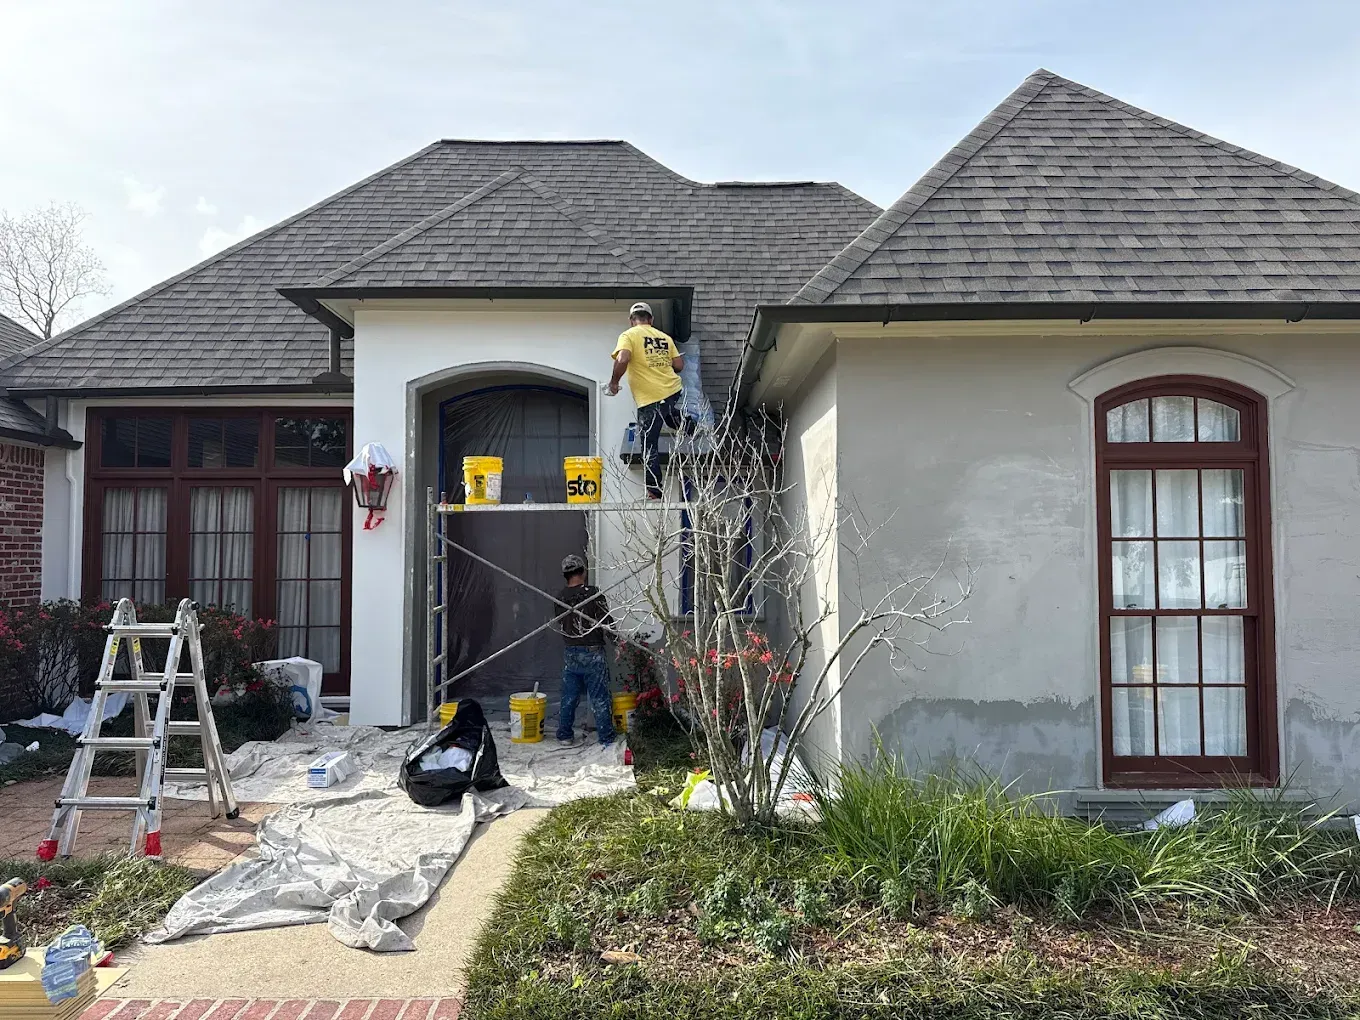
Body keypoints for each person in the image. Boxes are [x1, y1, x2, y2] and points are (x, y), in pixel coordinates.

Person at [606, 301, 687, 499]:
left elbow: (623, 359)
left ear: (631, 320)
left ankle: (654, 490)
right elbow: (679, 365)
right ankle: (691, 426)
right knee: (668, 415)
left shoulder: (629, 335)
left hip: (651, 397)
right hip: (672, 389)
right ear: (650, 319)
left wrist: (614, 383)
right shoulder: (664, 337)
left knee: (648, 442)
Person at [554, 553, 616, 747]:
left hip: (571, 653)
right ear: (583, 572)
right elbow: (606, 621)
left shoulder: (559, 598)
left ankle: (564, 735)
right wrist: (616, 642)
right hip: (592, 653)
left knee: (569, 697)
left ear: (565, 574)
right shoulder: (593, 594)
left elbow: (562, 624)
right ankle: (606, 738)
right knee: (599, 697)